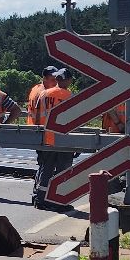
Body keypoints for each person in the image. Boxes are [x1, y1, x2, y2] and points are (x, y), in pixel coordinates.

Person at [28, 67, 73, 210]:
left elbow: (36, 114)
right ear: (68, 80)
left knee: (45, 170)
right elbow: (74, 120)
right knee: (62, 171)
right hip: (63, 140)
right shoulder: (69, 96)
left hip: (46, 138)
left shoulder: (43, 94)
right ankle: (58, 201)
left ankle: (40, 199)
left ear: (57, 79)